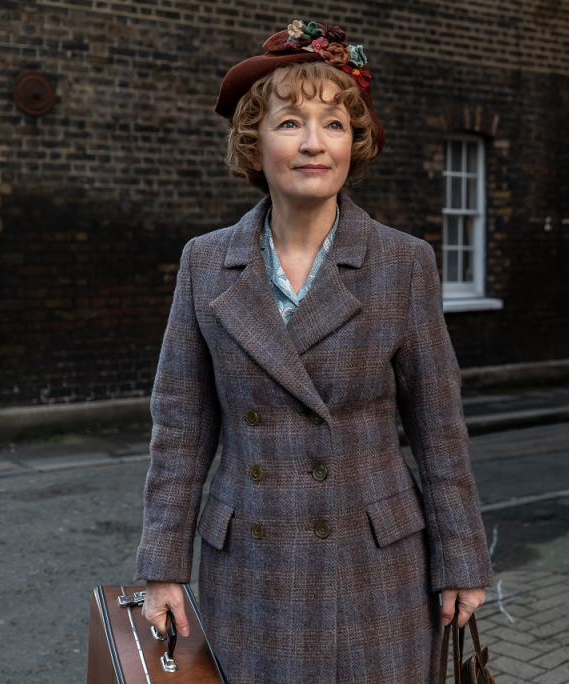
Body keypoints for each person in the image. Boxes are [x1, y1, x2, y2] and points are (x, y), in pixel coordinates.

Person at [133, 20, 492, 684]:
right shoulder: (205, 264)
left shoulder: (402, 264)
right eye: (290, 122)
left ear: (354, 143)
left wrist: (463, 562)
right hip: (250, 568)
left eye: (333, 125)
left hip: (375, 566)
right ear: (254, 140)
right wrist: (162, 567)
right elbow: (181, 428)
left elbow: (439, 429)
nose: (313, 143)